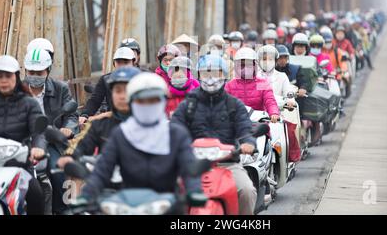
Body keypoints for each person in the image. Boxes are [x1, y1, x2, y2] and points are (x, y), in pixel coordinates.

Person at [80, 73, 204, 208]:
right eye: (141, 101)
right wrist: (86, 194)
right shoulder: (121, 134)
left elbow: (189, 169)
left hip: (167, 205)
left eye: (153, 100)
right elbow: (102, 170)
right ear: (132, 102)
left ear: (163, 101)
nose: (147, 106)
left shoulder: (176, 134)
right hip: (128, 205)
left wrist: (194, 190)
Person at [171, 54, 257, 215]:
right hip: (192, 165)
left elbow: (245, 127)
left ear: (224, 75)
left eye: (216, 73)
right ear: (199, 75)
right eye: (206, 73)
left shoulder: (234, 104)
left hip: (228, 164)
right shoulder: (189, 104)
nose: (211, 78)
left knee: (247, 190)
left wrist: (248, 143)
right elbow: (175, 127)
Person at [23, 48, 79, 215]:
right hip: (25, 143)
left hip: (52, 140)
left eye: (39, 72)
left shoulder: (60, 88)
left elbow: (72, 114)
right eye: (31, 72)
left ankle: (62, 210)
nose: (34, 75)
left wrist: (68, 128)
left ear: (47, 71)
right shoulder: (18, 91)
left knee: (58, 171)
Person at [57, 67, 141, 169]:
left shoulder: (150, 124)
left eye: (127, 90)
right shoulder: (100, 125)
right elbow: (81, 145)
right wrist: (69, 157)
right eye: (118, 91)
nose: (122, 96)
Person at [0, 55, 46, 215]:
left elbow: (39, 131)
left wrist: (37, 148)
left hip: (20, 164)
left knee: (36, 194)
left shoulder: (29, 103)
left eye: (8, 76)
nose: (4, 80)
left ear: (16, 77)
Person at [79, 47, 136, 125]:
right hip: (113, 122)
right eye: (119, 62)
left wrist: (105, 115)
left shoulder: (142, 79)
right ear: (114, 63)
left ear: (133, 62)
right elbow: (95, 100)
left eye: (126, 62)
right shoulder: (106, 79)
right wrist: (85, 115)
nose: (122, 65)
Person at [225, 48, 280, 123]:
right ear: (237, 66)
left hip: (258, 125)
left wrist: (273, 113)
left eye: (249, 64)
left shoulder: (262, 83)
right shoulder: (230, 85)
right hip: (236, 125)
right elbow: (221, 104)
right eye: (242, 65)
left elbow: (270, 100)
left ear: (255, 66)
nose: (245, 68)